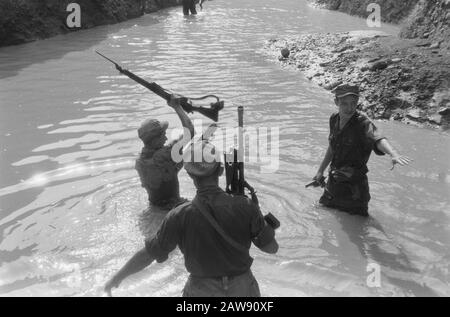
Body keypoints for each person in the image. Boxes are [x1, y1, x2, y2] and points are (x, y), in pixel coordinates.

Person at [105, 140, 279, 297]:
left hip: (201, 291)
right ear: (220, 170)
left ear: (189, 174)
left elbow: (149, 253)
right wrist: (262, 221)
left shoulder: (178, 215)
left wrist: (117, 277)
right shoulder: (245, 206)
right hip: (243, 290)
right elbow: (271, 248)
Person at [313, 84, 412, 217]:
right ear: (336, 102)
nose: (349, 108)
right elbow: (332, 147)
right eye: (344, 104)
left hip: (355, 190)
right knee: (321, 213)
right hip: (334, 183)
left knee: (359, 225)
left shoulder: (363, 123)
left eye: (353, 103)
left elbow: (378, 138)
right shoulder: (334, 119)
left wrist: (393, 153)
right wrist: (320, 171)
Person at [136, 95, 194, 238]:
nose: (166, 138)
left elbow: (164, 172)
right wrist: (177, 107)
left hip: (153, 209)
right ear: (155, 140)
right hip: (175, 207)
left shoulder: (139, 161)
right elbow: (190, 131)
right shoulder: (166, 154)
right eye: (163, 135)